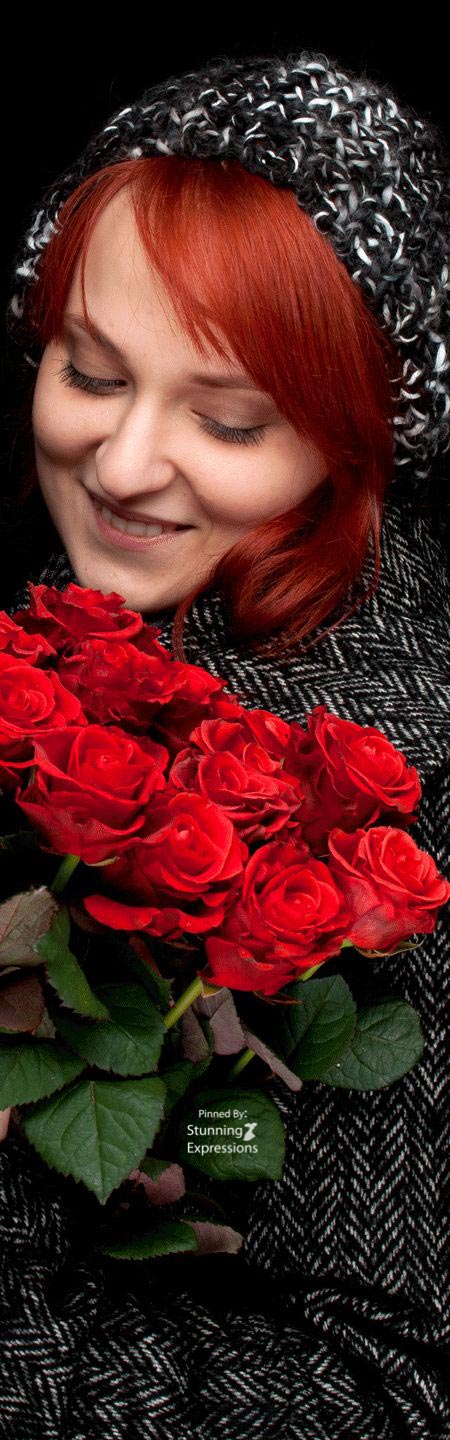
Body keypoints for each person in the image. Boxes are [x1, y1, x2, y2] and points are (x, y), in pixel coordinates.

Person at [0, 48, 449, 1440]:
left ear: (356, 436)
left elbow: (388, 1393)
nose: (125, 464)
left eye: (228, 419)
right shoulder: (91, 624)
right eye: (89, 372)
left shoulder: (381, 825)